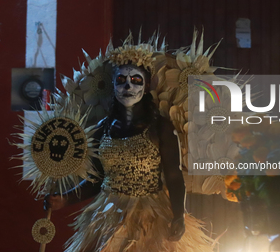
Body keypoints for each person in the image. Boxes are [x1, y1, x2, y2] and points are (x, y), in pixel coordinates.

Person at [45, 38, 214, 251]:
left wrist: (179, 214)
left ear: (146, 85)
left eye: (136, 80)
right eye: (121, 80)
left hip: (150, 216)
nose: (128, 86)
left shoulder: (160, 127)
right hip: (108, 215)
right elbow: (96, 180)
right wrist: (65, 199)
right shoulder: (102, 129)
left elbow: (173, 175)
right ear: (113, 85)